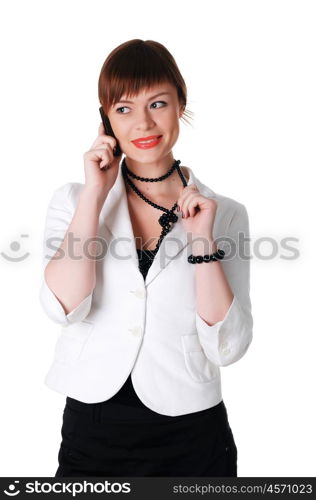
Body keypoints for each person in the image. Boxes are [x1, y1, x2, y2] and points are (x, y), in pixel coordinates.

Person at [39, 39, 253, 477]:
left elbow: (227, 345)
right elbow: (61, 307)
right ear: (105, 118)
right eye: (123, 109)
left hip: (193, 431)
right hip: (93, 426)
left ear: (180, 104)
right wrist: (95, 195)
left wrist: (201, 245)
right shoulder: (75, 201)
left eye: (157, 103)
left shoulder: (224, 213)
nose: (143, 123)